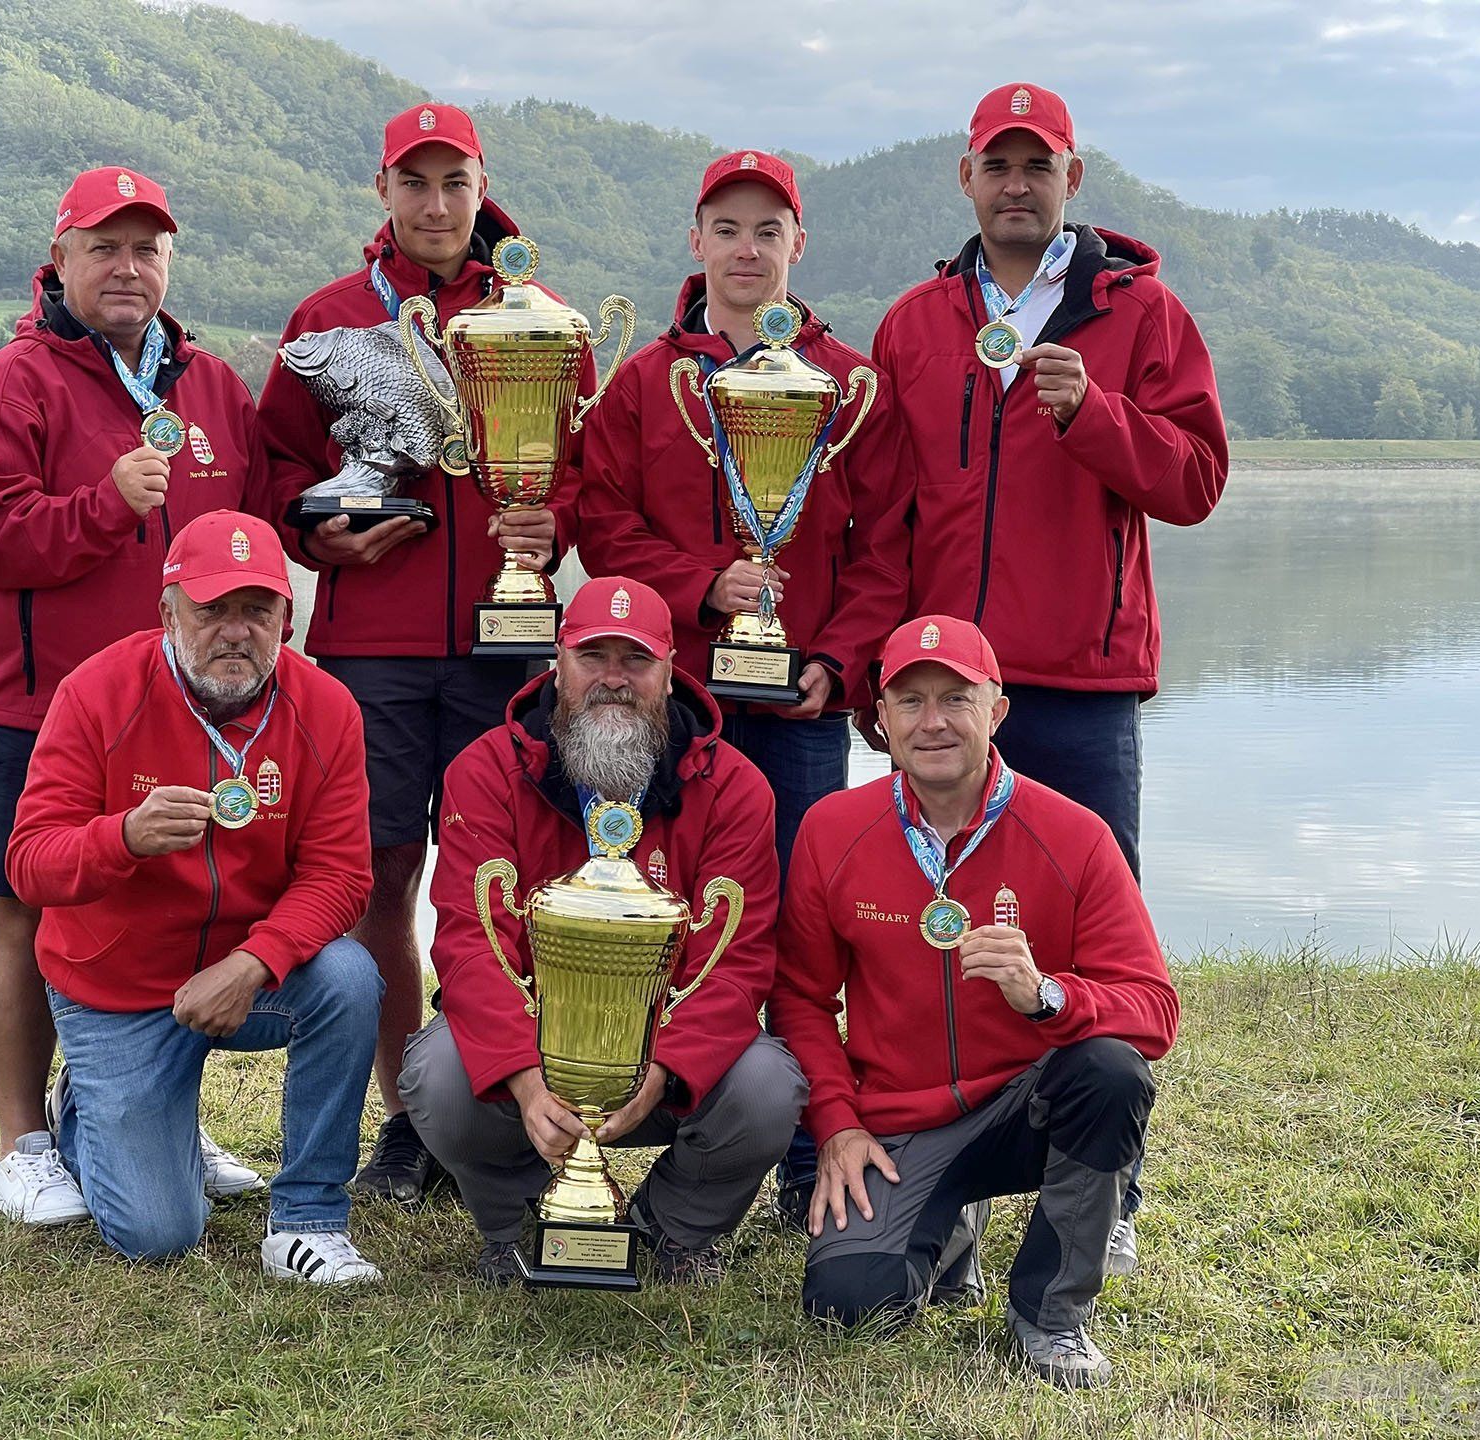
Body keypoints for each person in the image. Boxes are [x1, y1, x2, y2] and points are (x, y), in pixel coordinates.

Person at [253, 103, 590, 1206]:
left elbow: (595, 463)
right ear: (384, 190)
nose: (438, 204)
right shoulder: (330, 316)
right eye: (417, 182)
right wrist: (317, 532)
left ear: (481, 183)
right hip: (374, 651)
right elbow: (276, 476)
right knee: (380, 880)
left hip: (514, 648)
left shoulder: (537, 313)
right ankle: (409, 1118)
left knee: (521, 888)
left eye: (456, 182)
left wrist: (555, 523)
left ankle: (521, 1101)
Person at [0, 165, 270, 1225]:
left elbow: (254, 533)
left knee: (174, 918)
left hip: (187, 714)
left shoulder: (210, 386)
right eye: (104, 247)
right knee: (25, 915)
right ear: (62, 258)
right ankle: (23, 1143)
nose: (127, 267)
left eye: (147, 249)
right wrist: (99, 504)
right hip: (38, 712)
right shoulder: (12, 384)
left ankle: (155, 1113)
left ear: (168, 263)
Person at [769, 615, 1178, 1387]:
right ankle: (949, 1227)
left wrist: (1047, 995)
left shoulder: (1076, 834)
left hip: (1027, 1106)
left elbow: (1154, 1010)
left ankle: (1052, 1316)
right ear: (879, 720)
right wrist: (838, 1125)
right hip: (900, 1120)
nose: (933, 722)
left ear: (996, 711)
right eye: (910, 701)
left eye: (956, 698)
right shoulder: (833, 830)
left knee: (1110, 1072)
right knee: (848, 1305)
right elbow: (799, 1001)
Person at [4, 510, 384, 1281]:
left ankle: (307, 1219)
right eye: (212, 610)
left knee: (348, 978)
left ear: (289, 614)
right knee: (158, 1234)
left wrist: (253, 965)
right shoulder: (96, 693)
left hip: (245, 979)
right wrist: (123, 838)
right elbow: (29, 865)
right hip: (118, 991)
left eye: (259, 610)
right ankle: (89, 1102)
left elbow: (341, 876)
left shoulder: (328, 708)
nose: (237, 632)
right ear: (168, 611)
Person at [867, 82, 1228, 881]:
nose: (1018, 184)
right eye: (998, 165)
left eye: (1040, 164)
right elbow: (884, 520)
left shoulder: (1145, 314)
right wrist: (878, 668)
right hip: (943, 680)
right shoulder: (911, 322)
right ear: (967, 177)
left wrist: (1095, 416)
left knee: (1090, 905)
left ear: (1075, 176)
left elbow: (1196, 484)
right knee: (937, 905)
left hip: (1082, 681)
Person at [399, 577, 804, 1284]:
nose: (613, 679)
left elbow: (737, 965)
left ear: (671, 670)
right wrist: (523, 1079)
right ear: (557, 662)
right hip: (537, 1048)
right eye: (593, 656)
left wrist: (665, 1071)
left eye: (636, 660)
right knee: (437, 1074)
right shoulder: (486, 770)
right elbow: (468, 941)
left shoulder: (737, 787)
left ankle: (669, 1232)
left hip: (659, 1058)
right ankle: (518, 1226)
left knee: (768, 1085)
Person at [577, 149, 907, 877]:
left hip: (801, 706)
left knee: (800, 912)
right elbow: (605, 528)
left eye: (768, 229)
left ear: (799, 241)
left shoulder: (850, 386)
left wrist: (836, 663)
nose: (747, 249)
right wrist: (701, 586)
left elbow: (885, 551)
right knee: (666, 899)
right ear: (697, 241)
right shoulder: (643, 383)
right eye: (727, 229)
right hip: (673, 697)